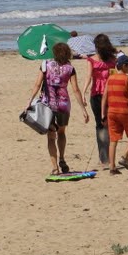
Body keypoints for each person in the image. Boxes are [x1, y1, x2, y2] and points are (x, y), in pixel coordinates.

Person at [26, 41, 89, 175]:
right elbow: (76, 89)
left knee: (50, 137)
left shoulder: (45, 65)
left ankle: (55, 168)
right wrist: (83, 109)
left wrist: (29, 101)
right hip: (63, 105)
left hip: (48, 105)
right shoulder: (70, 68)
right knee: (61, 133)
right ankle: (62, 158)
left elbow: (37, 85)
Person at [102, 54, 128, 174]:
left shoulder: (110, 78)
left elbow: (104, 97)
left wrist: (102, 114)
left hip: (111, 112)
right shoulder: (127, 79)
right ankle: (124, 157)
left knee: (113, 140)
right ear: (124, 66)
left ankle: (112, 167)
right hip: (124, 111)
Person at [82, 34, 117, 166]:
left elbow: (88, 77)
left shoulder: (93, 60)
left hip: (98, 94)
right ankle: (105, 156)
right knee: (106, 123)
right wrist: (84, 92)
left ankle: (104, 157)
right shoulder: (113, 60)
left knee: (100, 124)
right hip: (106, 93)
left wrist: (84, 92)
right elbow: (89, 77)